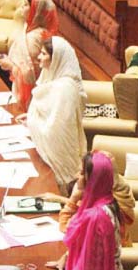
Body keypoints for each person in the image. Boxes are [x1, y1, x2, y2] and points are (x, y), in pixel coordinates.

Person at [19, 36, 87, 193]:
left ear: (56, 58)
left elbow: (54, 131)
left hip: (59, 161)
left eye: (43, 54)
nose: (39, 57)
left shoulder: (65, 88)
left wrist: (32, 122)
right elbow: (47, 112)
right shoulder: (53, 78)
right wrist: (31, 117)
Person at [0, 0, 59, 111]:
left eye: (26, 5)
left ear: (35, 11)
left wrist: (11, 66)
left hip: (35, 100)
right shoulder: (29, 28)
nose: (22, 6)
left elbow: (31, 76)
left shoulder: (34, 38)